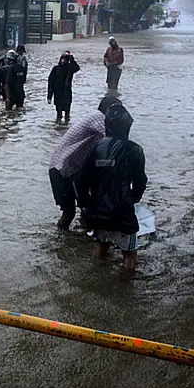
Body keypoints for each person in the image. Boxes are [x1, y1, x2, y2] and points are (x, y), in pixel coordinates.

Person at [75, 104, 147, 271]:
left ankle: (97, 280)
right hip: (122, 213)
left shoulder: (97, 147)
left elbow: (81, 179)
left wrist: (85, 205)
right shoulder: (134, 149)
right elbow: (140, 181)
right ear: (127, 125)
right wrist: (133, 199)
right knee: (129, 254)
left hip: (98, 211)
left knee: (102, 247)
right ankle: (124, 290)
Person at [49, 96, 121, 230]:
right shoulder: (99, 118)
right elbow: (116, 139)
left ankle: (81, 238)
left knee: (86, 206)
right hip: (62, 168)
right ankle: (62, 241)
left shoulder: (98, 120)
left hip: (72, 169)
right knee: (69, 213)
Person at [47, 51, 80, 123]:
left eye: (65, 59)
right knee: (58, 115)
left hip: (67, 93)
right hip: (58, 93)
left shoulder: (69, 69)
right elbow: (50, 83)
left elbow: (77, 68)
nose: (63, 60)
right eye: (62, 58)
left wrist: (72, 59)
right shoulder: (56, 69)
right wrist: (49, 96)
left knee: (67, 114)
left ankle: (66, 126)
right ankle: (58, 127)